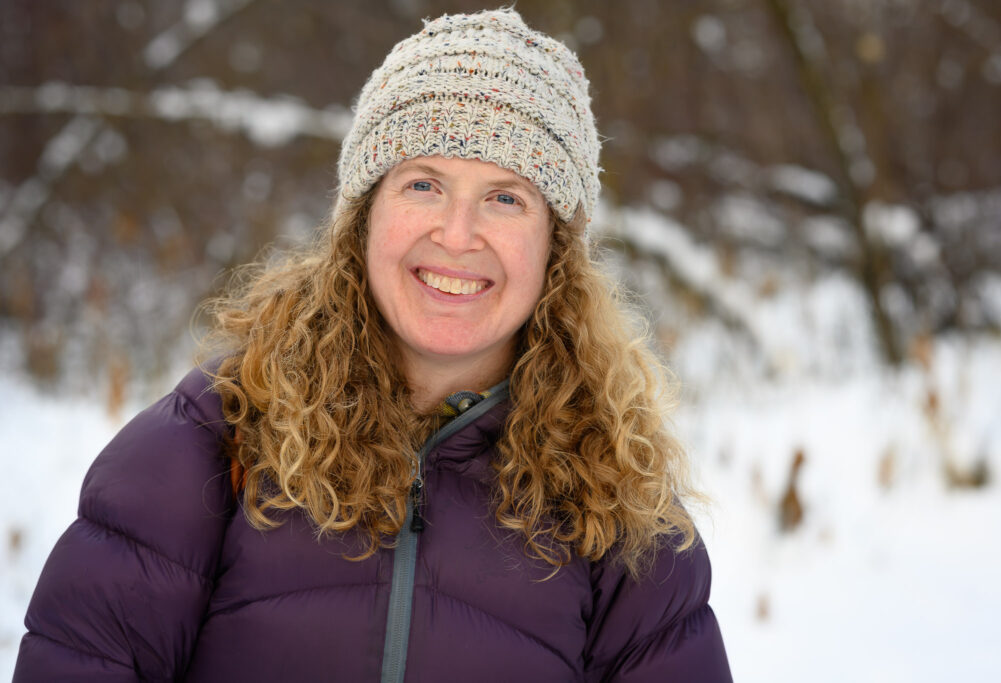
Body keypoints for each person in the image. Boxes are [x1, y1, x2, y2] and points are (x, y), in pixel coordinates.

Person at [15, 8, 731, 682]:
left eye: (506, 197)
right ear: (362, 216)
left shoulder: (622, 513)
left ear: (557, 249)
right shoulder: (208, 446)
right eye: (424, 183)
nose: (457, 235)